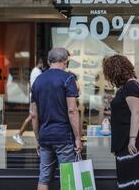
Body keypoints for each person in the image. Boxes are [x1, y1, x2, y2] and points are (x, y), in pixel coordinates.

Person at [31, 48, 82, 190]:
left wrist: (38, 139)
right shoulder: (68, 79)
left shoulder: (38, 81)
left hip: (45, 136)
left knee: (44, 178)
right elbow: (72, 110)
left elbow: (34, 114)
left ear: (48, 61)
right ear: (66, 61)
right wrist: (78, 137)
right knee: (68, 179)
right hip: (64, 136)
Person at [102, 55, 139, 190]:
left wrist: (132, 139)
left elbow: (136, 112)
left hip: (130, 142)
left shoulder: (131, 86)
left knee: (130, 182)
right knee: (127, 181)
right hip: (124, 142)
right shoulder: (126, 87)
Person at [13, 58, 44, 145]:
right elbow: (36, 86)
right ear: (41, 63)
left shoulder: (35, 71)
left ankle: (38, 138)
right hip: (36, 97)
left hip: (35, 97)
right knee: (32, 116)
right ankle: (19, 134)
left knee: (34, 116)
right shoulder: (37, 71)